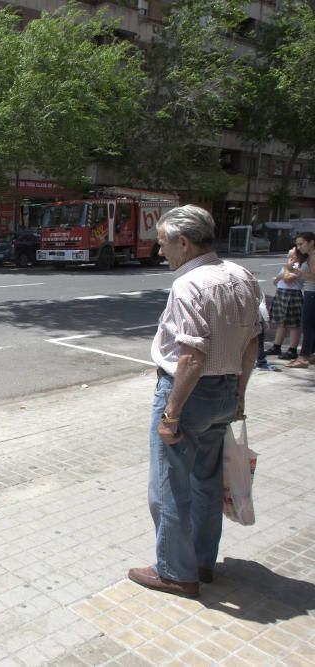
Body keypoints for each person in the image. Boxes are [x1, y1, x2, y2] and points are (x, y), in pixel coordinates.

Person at [128, 205, 262, 598]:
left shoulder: (189, 285)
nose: (159, 252)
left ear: (183, 243)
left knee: (169, 486)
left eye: (163, 244)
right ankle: (202, 563)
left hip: (188, 393)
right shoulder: (242, 275)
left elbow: (191, 356)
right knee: (205, 482)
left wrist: (170, 414)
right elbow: (252, 343)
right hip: (224, 392)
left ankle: (175, 572)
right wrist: (238, 394)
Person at [264, 246, 304, 361]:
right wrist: (284, 272)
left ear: (296, 256)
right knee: (281, 323)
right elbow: (276, 281)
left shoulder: (299, 266)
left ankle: (292, 349)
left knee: (293, 325)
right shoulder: (287, 266)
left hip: (293, 295)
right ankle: (276, 346)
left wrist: (285, 271)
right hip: (281, 293)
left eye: (292, 249)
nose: (290, 250)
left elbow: (287, 278)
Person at [284, 232, 315, 369]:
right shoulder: (310, 257)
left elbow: (313, 276)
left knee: (307, 326)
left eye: (301, 243)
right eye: (297, 244)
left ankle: (303, 357)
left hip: (312, 293)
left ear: (311, 242)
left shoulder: (313, 257)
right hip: (310, 293)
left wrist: (297, 272)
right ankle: (309, 354)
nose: (299, 247)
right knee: (311, 326)